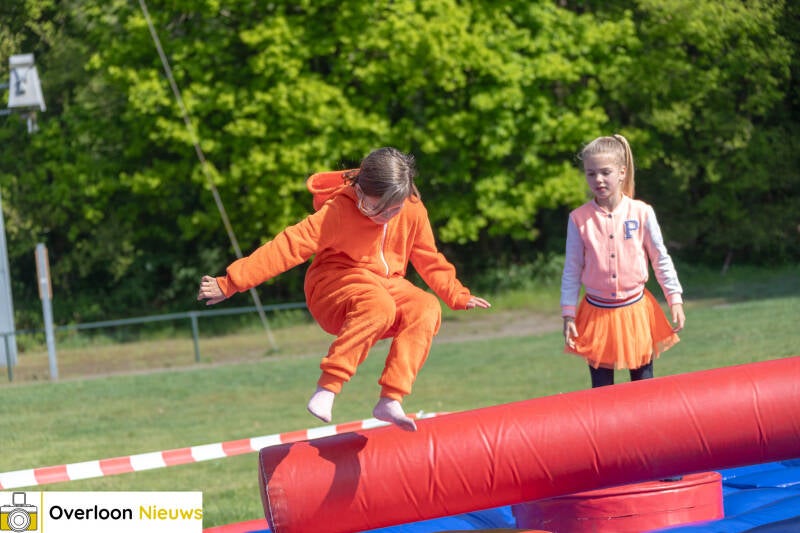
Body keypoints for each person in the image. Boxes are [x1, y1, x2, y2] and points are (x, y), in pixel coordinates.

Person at [197, 147, 490, 431]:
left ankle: (391, 398)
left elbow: (428, 256)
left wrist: (456, 293)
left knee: (425, 307)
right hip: (333, 286)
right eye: (376, 208)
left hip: (386, 284)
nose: (385, 216)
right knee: (379, 305)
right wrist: (230, 283)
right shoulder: (338, 211)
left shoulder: (412, 209)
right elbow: (288, 246)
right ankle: (328, 388)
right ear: (360, 191)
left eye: (394, 209)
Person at [560, 134, 685, 388]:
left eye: (605, 172)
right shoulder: (578, 219)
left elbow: (660, 258)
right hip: (597, 316)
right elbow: (572, 269)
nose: (598, 179)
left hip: (636, 313)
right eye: (591, 173)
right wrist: (568, 314)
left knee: (643, 385)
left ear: (621, 172)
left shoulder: (641, 212)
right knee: (602, 389)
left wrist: (675, 298)